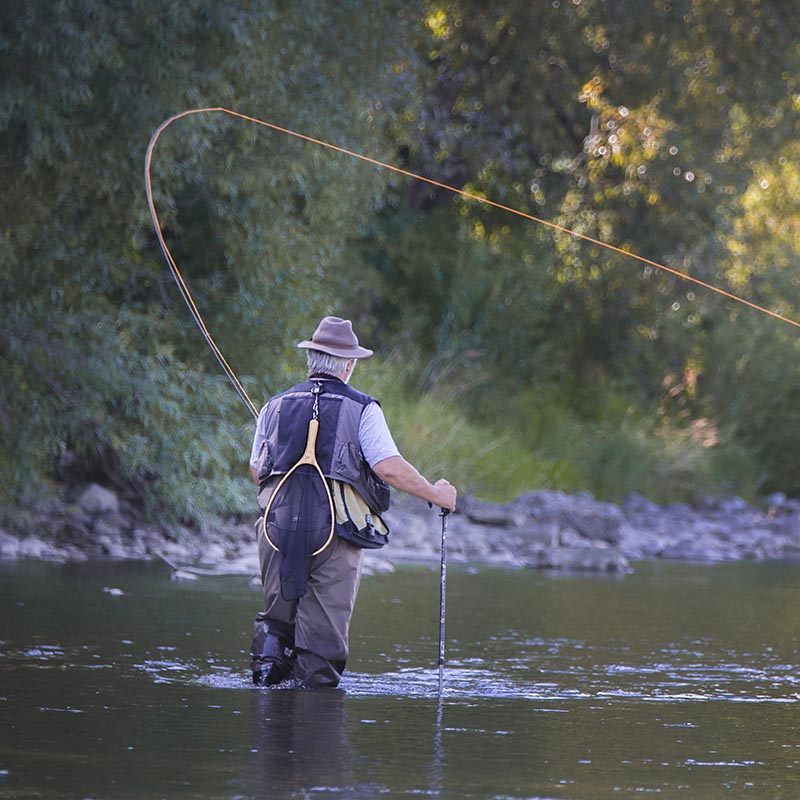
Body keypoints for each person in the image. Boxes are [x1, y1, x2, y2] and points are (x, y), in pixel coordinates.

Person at [248, 316, 457, 688]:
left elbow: (257, 472)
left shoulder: (273, 406)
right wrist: (436, 493)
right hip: (336, 535)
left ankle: (266, 703)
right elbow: (388, 468)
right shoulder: (363, 409)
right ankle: (311, 726)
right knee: (320, 649)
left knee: (276, 624)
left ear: (311, 359)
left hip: (275, 530)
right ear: (349, 365)